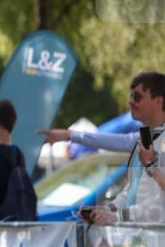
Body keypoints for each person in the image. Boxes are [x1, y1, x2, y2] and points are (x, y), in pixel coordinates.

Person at [42, 72, 165, 224]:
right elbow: (133, 191)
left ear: (159, 101)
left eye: (137, 97)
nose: (130, 102)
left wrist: (118, 216)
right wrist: (108, 210)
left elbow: (160, 201)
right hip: (144, 238)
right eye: (131, 96)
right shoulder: (145, 137)